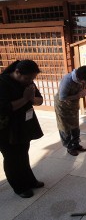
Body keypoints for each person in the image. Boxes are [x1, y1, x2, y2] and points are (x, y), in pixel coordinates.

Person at [0, 60, 44, 198]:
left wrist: (31, 99)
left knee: (23, 153)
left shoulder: (28, 81)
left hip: (24, 124)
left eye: (32, 78)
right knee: (12, 157)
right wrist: (26, 99)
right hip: (6, 128)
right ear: (17, 72)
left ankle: (29, 180)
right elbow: (4, 108)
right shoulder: (2, 82)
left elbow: (39, 100)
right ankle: (19, 187)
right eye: (27, 78)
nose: (30, 81)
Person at [54, 66, 86, 156]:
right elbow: (62, 97)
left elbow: (83, 91)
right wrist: (78, 95)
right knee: (65, 127)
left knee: (75, 126)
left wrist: (84, 92)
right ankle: (69, 147)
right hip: (62, 106)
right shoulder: (67, 80)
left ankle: (76, 144)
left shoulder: (82, 80)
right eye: (85, 81)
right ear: (80, 78)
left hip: (73, 105)